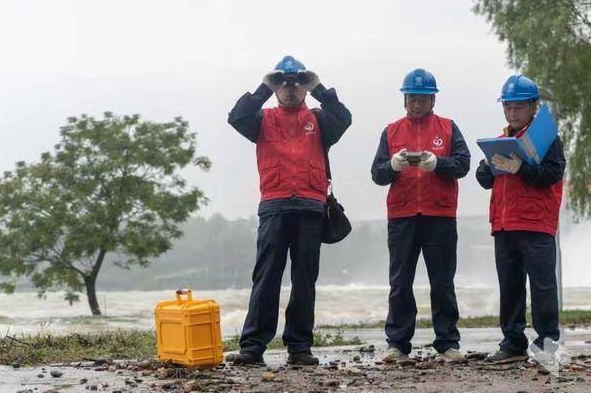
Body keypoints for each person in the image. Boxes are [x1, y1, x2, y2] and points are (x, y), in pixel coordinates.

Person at [226, 55, 352, 366]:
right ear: (276, 89)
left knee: (304, 279)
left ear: (305, 88)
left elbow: (344, 118)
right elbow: (236, 117)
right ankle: (253, 346)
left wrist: (319, 88)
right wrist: (264, 87)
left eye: (297, 83)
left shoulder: (320, 119)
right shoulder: (262, 119)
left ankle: (299, 347)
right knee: (266, 276)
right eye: (284, 83)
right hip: (275, 206)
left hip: (310, 206)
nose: (291, 88)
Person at [370, 68, 471, 364]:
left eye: (423, 99)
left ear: (433, 100)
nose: (417, 105)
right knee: (400, 282)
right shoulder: (391, 131)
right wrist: (392, 166)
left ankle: (448, 343)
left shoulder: (448, 128)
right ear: (404, 100)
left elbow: (463, 164)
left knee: (442, 281)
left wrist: (438, 164)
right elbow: (377, 174)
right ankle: (397, 344)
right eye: (412, 99)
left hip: (440, 215)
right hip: (402, 216)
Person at [475, 74, 566, 366]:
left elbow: (554, 173)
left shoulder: (547, 139)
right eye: (508, 106)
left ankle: (547, 345)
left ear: (533, 106)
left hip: (536, 223)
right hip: (504, 225)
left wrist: (522, 169)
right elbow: (484, 181)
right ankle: (513, 343)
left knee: (542, 287)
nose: (512, 112)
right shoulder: (500, 142)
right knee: (510, 288)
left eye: (519, 106)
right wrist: (486, 167)